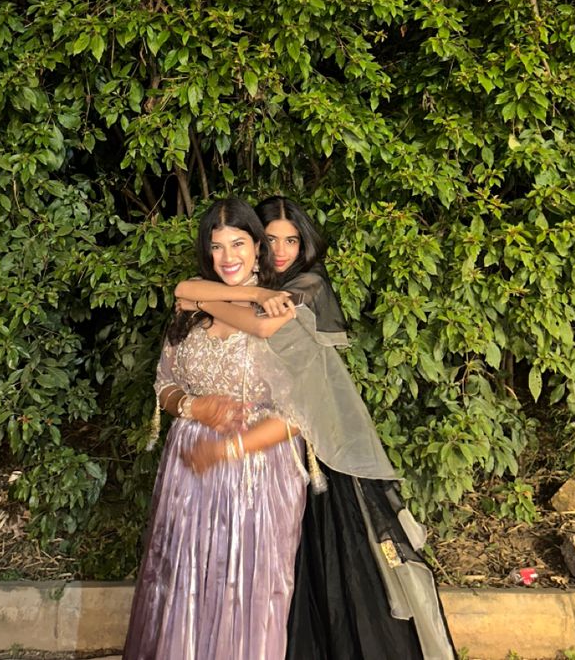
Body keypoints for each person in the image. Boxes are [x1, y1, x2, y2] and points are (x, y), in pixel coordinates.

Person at [175, 196, 456, 660]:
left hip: (311, 450)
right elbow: (186, 291)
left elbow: (258, 326)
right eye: (270, 239)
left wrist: (211, 298)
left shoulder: (304, 286)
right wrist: (238, 292)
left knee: (333, 569)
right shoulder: (255, 283)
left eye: (292, 240)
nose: (281, 250)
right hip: (269, 458)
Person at [122, 197, 307, 660]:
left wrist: (228, 450)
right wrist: (191, 406)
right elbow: (163, 381)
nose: (228, 257)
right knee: (180, 582)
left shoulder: (284, 311)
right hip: (188, 471)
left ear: (258, 248)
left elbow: (300, 414)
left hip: (257, 472)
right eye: (217, 246)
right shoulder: (190, 309)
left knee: (246, 591)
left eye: (239, 244)